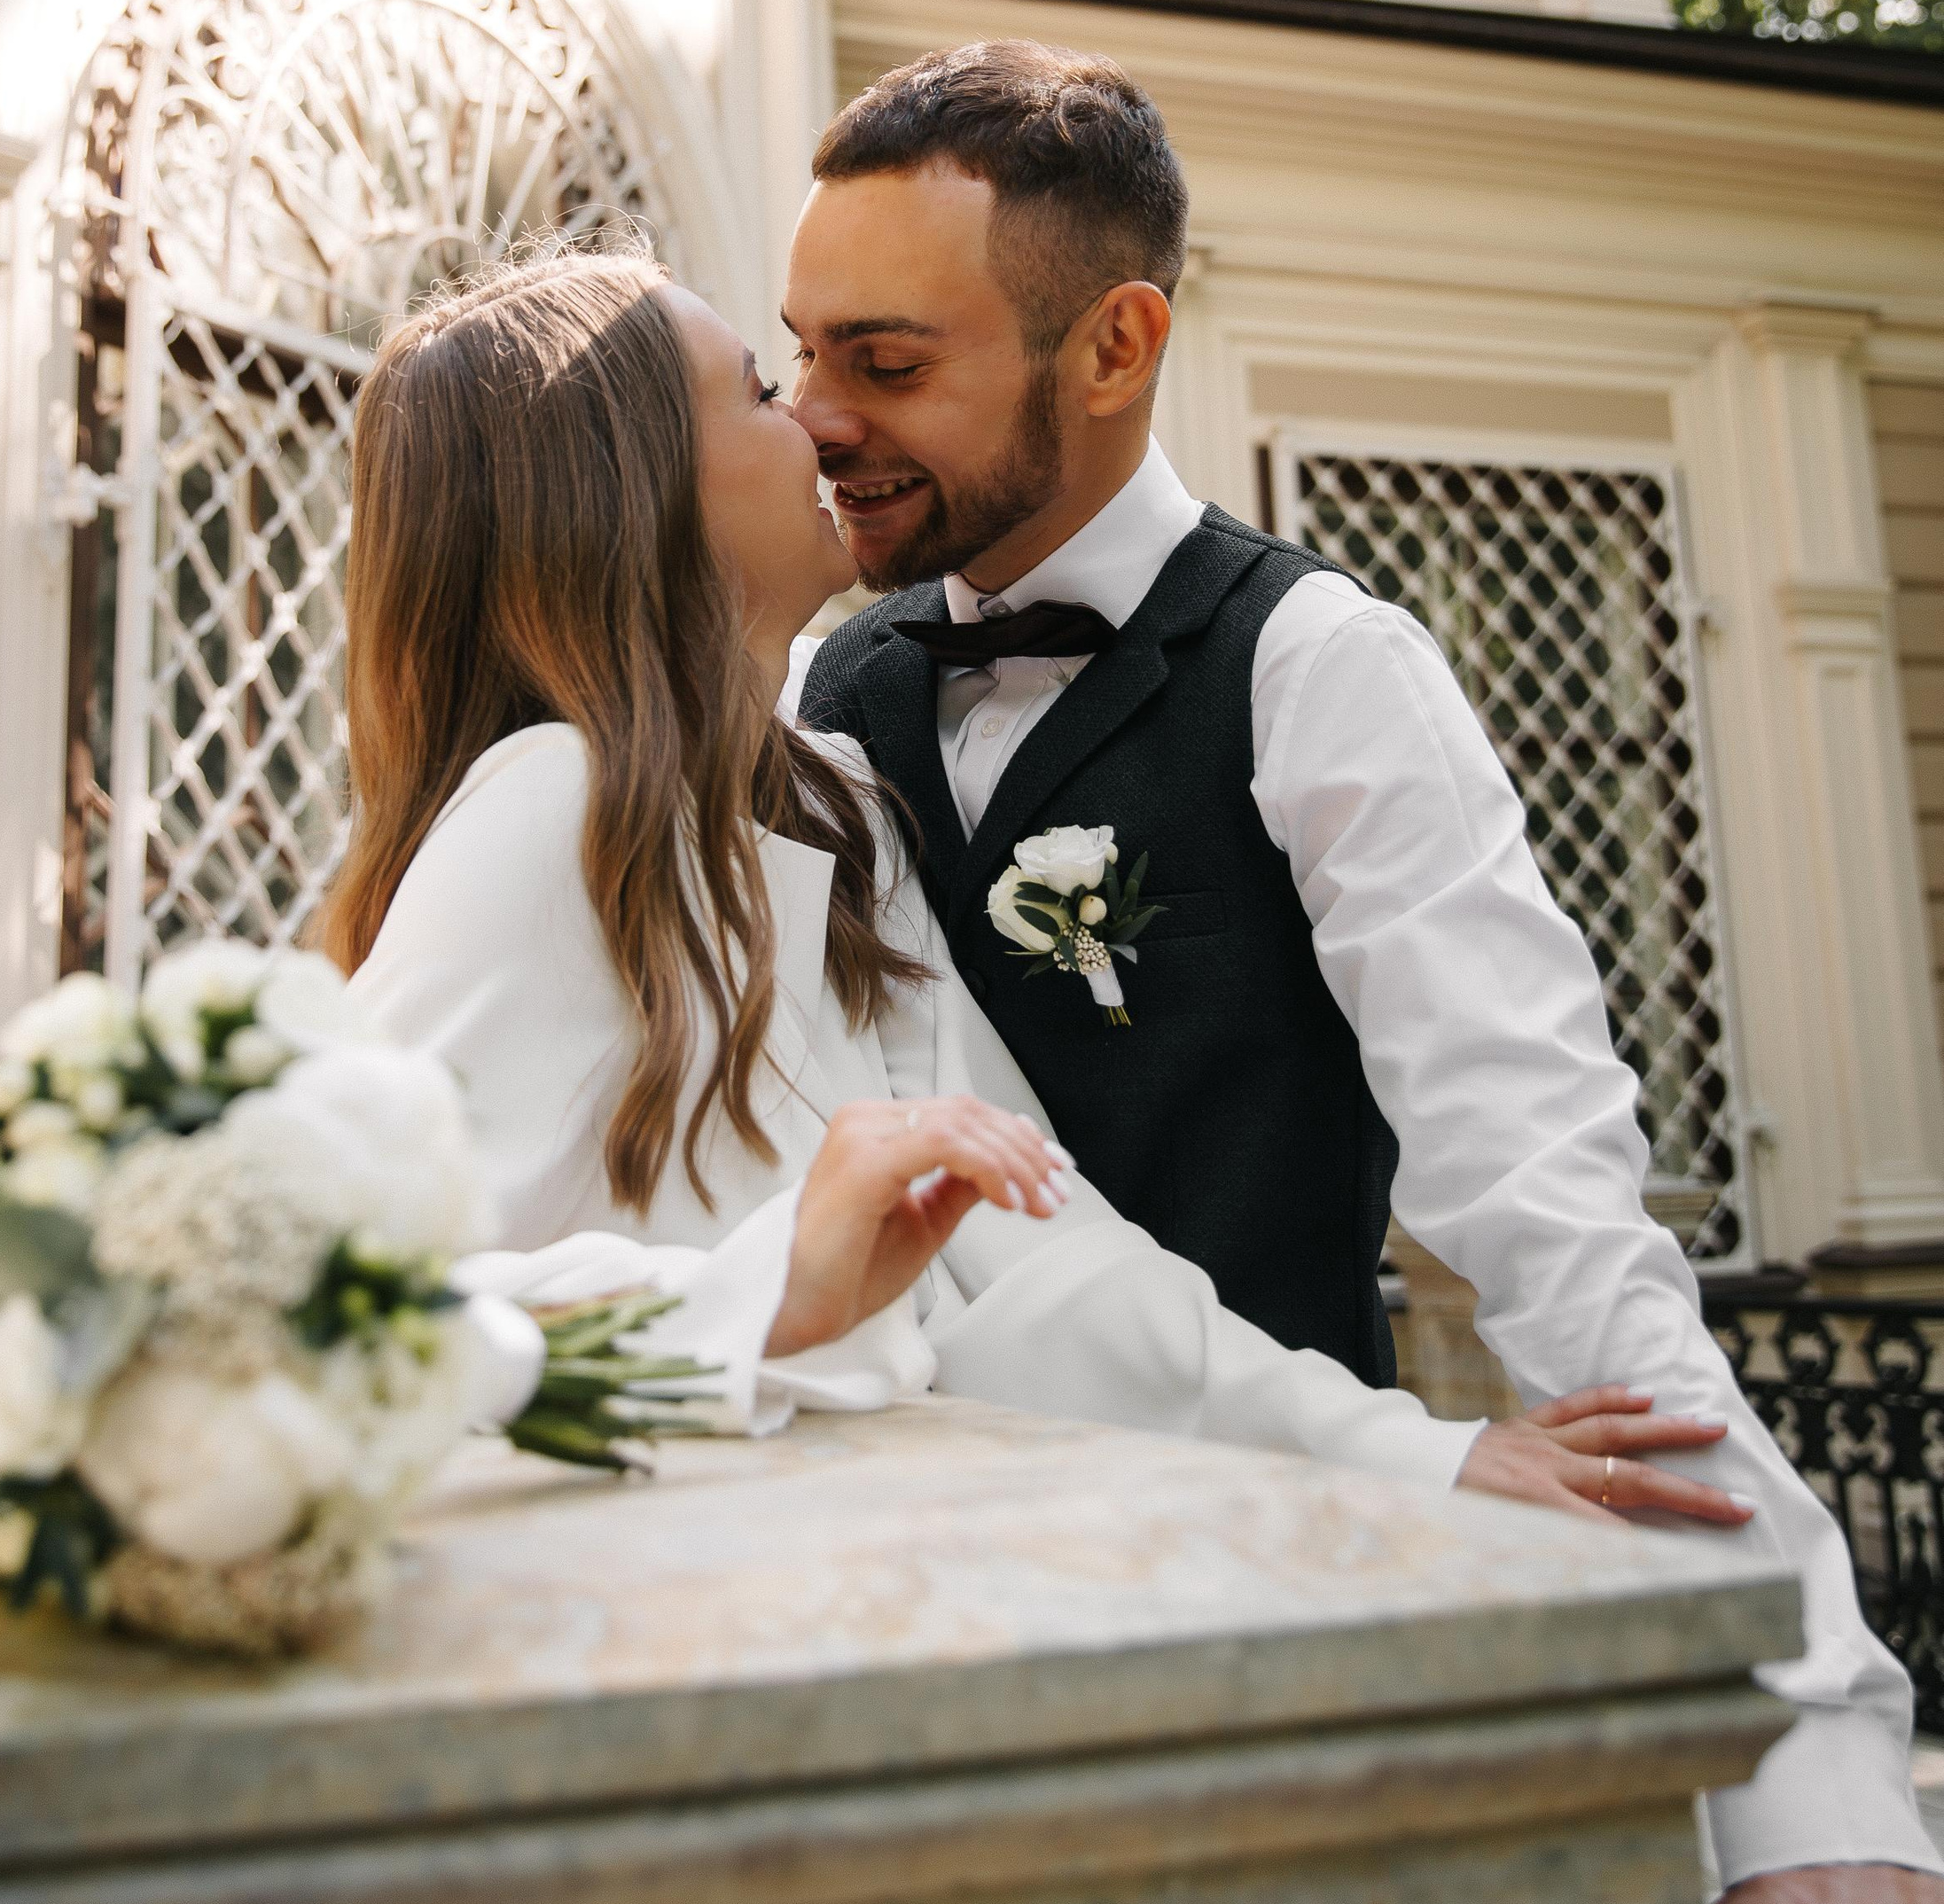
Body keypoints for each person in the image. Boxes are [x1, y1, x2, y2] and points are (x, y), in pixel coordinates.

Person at [786, 36, 1944, 1904]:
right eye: (795, 355)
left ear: (1115, 342)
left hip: (1270, 1644)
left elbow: (1555, 1217)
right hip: (896, 1656)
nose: (813, 421)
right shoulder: (824, 684)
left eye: (878, 357)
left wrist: (1809, 1760)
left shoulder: (1320, 671)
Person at [323, 252, 1745, 1533]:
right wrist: (762, 1302)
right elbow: (323, 1317)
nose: (818, 421)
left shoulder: (838, 815)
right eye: (761, 390)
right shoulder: (552, 817)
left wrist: (1410, 1455)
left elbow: (1038, 1246)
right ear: (627, 498)